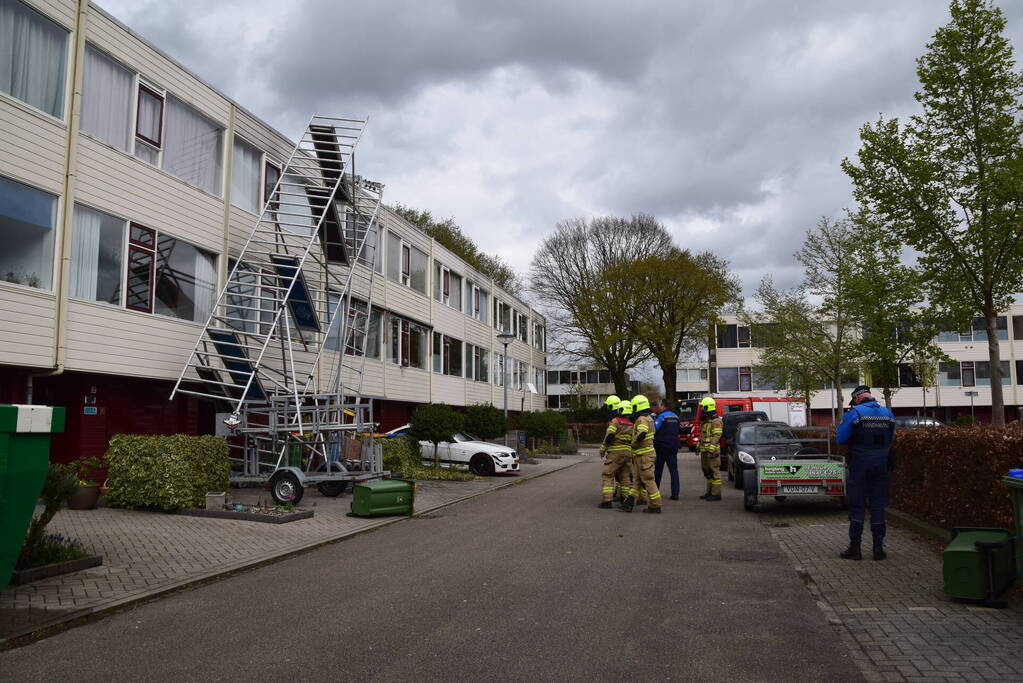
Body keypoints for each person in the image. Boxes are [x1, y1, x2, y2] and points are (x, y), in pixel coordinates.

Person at [836, 385, 896, 561]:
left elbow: (841, 438)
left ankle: (855, 549)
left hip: (860, 463)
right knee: (878, 506)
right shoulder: (887, 413)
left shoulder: (855, 413)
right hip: (882, 463)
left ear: (856, 398)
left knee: (857, 506)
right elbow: (892, 437)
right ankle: (878, 549)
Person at [625, 394, 662, 514]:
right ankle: (629, 503)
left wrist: (633, 443)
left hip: (643, 455)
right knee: (637, 480)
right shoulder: (649, 418)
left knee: (648, 480)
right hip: (644, 455)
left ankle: (655, 505)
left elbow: (641, 434)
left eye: (634, 407)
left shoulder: (642, 419)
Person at [598, 400, 635, 509]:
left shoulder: (615, 421)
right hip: (627, 454)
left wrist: (602, 449)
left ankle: (607, 501)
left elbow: (609, 437)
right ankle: (625, 498)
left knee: (608, 475)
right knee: (625, 477)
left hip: (615, 453)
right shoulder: (631, 423)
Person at [653, 399, 681, 501]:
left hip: (661, 447)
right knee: (674, 471)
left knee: (658, 471)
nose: (658, 407)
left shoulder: (662, 416)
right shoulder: (675, 416)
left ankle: (655, 492)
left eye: (659, 405)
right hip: (673, 447)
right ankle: (675, 493)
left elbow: (654, 428)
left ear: (663, 406)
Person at [697, 396, 723, 501]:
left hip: (712, 452)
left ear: (708, 407)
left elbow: (717, 436)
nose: (702, 409)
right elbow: (702, 437)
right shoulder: (706, 421)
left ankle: (716, 494)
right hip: (705, 451)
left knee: (714, 471)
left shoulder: (716, 421)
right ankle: (709, 492)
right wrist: (698, 447)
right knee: (707, 471)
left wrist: (711, 449)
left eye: (703, 407)